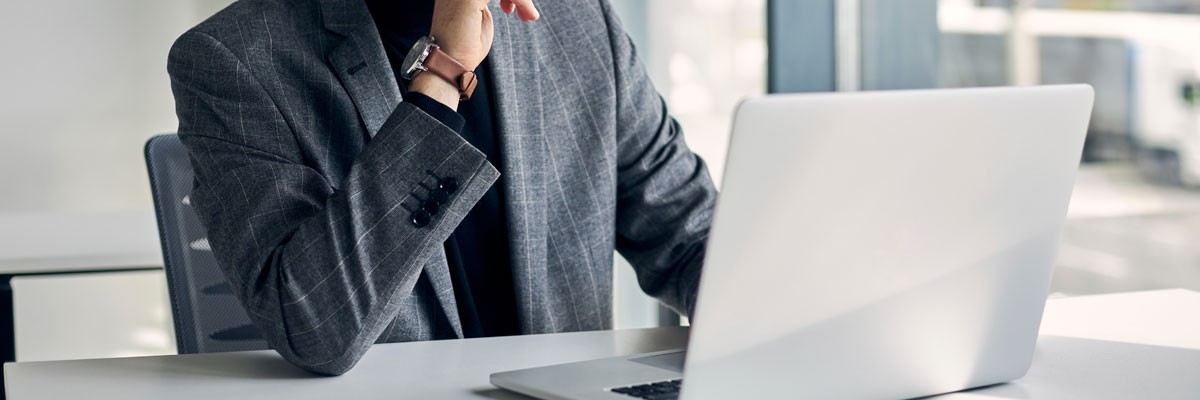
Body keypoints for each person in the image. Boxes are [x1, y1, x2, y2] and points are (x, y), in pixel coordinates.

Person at [168, 0, 717, 375]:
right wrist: (442, 74)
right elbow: (313, 328)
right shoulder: (233, 59)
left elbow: (692, 236)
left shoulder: (576, 20)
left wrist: (756, 324)